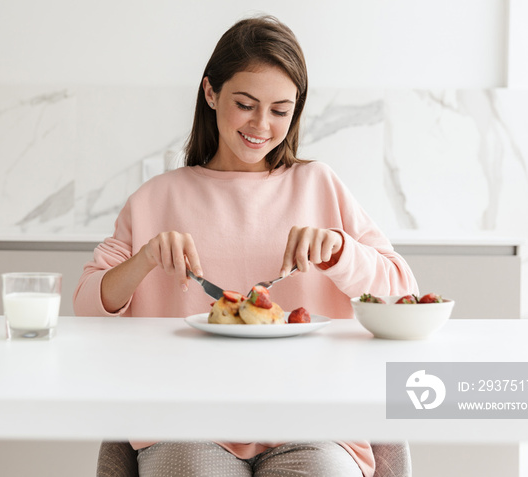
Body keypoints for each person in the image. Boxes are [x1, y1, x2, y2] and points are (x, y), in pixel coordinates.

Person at [74, 14, 417, 477]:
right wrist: (145, 260)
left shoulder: (320, 185)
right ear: (211, 92)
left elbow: (402, 291)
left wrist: (340, 251)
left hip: (313, 420)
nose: (262, 124)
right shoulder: (157, 197)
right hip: (185, 421)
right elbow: (87, 307)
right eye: (246, 104)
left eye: (280, 110)